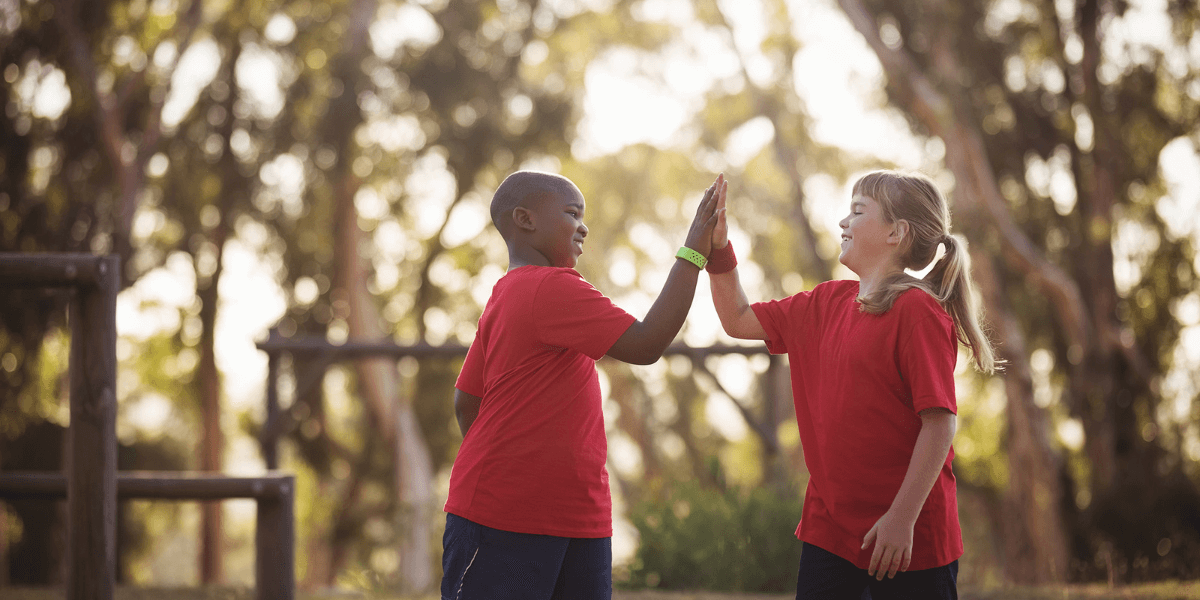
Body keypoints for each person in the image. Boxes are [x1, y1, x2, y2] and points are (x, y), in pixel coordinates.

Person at [706, 171, 999, 600]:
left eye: (858, 211)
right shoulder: (823, 303)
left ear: (896, 233)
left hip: (907, 539)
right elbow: (737, 319)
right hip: (830, 533)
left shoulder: (918, 311)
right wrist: (717, 250)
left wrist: (901, 519)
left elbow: (939, 425)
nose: (843, 221)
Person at [442, 170, 727, 600]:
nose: (584, 226)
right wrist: (693, 253)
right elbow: (646, 343)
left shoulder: (503, 295)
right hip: (511, 523)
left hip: (571, 517)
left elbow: (467, 402)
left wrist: (504, 469)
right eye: (572, 213)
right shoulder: (550, 286)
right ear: (525, 219)